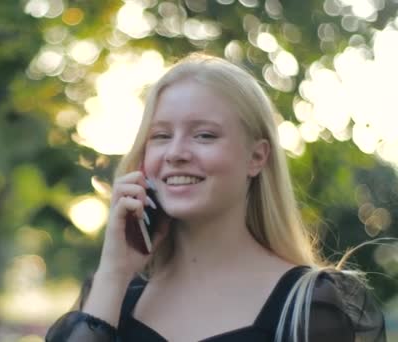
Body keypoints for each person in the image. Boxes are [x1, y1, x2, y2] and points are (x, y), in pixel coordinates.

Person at [45, 53, 386, 341]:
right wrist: (113, 273)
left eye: (204, 135)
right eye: (161, 136)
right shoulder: (108, 298)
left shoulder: (312, 305)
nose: (176, 153)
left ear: (257, 157)